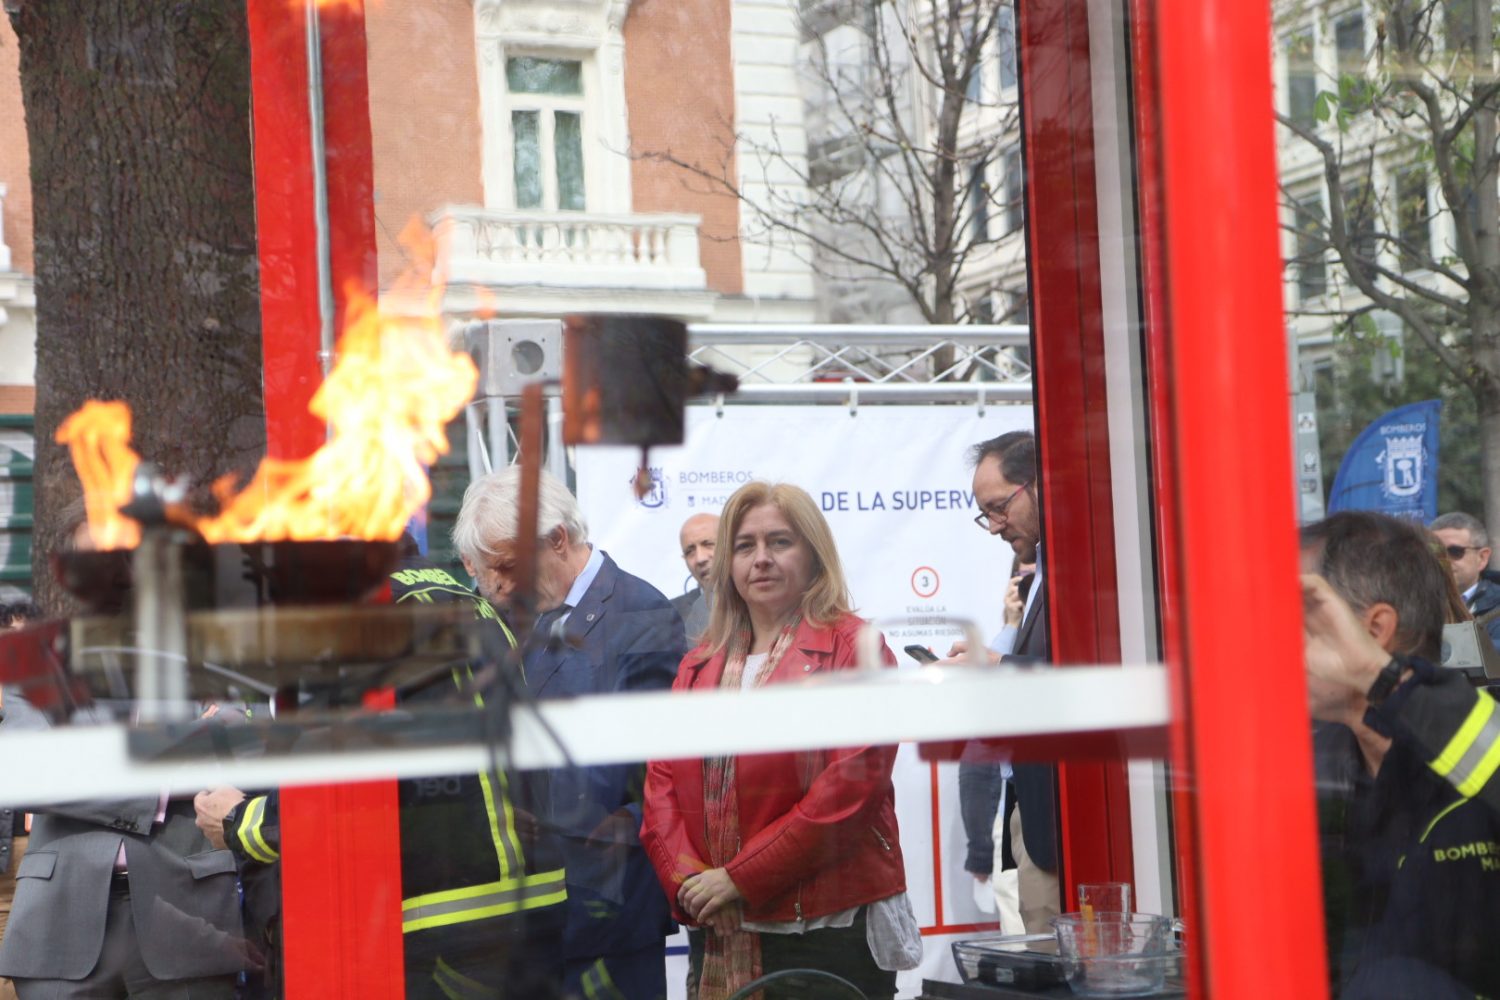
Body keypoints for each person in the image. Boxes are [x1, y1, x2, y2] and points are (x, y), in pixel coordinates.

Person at [197, 534, 570, 1000]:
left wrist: (237, 821)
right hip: (533, 902)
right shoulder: (474, 606)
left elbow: (331, 787)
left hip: (438, 919)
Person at [640, 481, 920, 1000]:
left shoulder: (853, 647)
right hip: (717, 923)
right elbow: (660, 789)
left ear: (814, 554)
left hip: (823, 933)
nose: (761, 559)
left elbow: (847, 794)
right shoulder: (698, 664)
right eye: (745, 546)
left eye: (780, 542)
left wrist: (738, 880)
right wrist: (693, 885)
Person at [454, 468, 684, 1000]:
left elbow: (662, 772)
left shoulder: (640, 613)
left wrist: (577, 820)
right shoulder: (512, 619)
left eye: (509, 567)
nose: (499, 586)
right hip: (528, 920)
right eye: (488, 574)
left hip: (607, 915)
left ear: (557, 539)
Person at [1302, 511, 1500, 997]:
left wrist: (1380, 676)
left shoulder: (1473, 743)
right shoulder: (1310, 766)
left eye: (1298, 617)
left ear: (1374, 630)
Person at [950, 430, 1060, 934]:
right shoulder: (1038, 575)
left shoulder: (1082, 571)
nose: (994, 526)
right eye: (985, 513)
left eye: (999, 507)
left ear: (1039, 485)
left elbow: (1084, 683)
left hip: (1065, 820)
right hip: (1034, 818)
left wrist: (997, 667)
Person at [1429, 512, 1500, 650]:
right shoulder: (1410, 603)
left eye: (1455, 551)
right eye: (1436, 552)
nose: (1444, 560)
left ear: (1482, 558)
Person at [670, 513, 718, 640]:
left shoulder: (760, 600)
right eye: (690, 551)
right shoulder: (672, 614)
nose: (700, 558)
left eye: (708, 544)